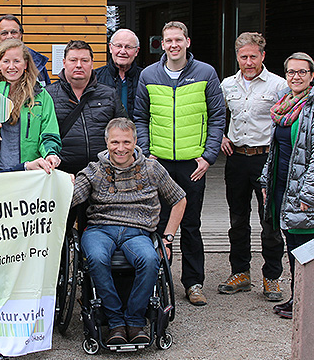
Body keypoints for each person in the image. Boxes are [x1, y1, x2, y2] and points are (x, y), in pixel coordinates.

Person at [134, 21, 225, 306]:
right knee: (158, 224)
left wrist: (209, 155)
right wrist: (147, 153)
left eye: (178, 40)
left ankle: (194, 283)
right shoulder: (149, 74)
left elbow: (217, 116)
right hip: (159, 164)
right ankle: (158, 279)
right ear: (161, 44)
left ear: (187, 42)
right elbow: (140, 116)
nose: (173, 45)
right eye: (167, 40)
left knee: (191, 225)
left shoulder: (206, 73)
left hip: (192, 164)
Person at [72, 118, 186, 345]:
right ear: (107, 142)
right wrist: (63, 184)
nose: (121, 148)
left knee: (150, 259)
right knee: (95, 257)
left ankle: (134, 320)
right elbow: (72, 198)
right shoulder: (94, 170)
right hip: (100, 229)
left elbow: (179, 199)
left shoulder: (152, 169)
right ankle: (115, 321)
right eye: (115, 142)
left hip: (138, 231)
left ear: (135, 141)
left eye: (126, 142)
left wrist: (168, 239)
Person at [218, 32, 286, 300]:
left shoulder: (278, 85)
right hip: (236, 158)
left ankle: (272, 276)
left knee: (269, 221)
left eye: (253, 57)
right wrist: (220, 136)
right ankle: (241, 272)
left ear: (263, 56)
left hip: (266, 158)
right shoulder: (227, 85)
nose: (248, 62)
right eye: (243, 57)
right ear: (237, 56)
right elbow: (213, 115)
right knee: (237, 219)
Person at [261, 52, 314, 320]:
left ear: (311, 76)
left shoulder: (311, 109)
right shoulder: (284, 105)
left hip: (304, 191)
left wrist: (308, 193)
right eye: (291, 72)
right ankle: (298, 298)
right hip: (282, 186)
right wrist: (265, 180)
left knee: (305, 246)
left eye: (302, 72)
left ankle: (305, 303)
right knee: (292, 244)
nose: (296, 77)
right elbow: (274, 150)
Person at [0, 39, 61, 173]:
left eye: (17, 61)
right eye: (6, 61)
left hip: (33, 171)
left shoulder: (41, 96)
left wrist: (50, 153)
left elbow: (49, 132)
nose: (11, 66)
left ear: (25, 64)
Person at [47, 39, 126, 176]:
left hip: (102, 173)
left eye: (84, 60)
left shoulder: (109, 94)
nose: (79, 65)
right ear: (64, 63)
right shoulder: (48, 95)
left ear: (92, 64)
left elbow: (124, 129)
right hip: (61, 174)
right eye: (73, 60)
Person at [0, 14, 51, 92]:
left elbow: (46, 94)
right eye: (4, 33)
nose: (10, 36)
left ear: (21, 34)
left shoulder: (37, 62)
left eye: (14, 32)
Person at [95, 28, 142, 118]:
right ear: (110, 48)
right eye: (118, 46)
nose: (123, 51)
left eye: (128, 47)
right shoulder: (95, 78)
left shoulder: (145, 78)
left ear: (137, 51)